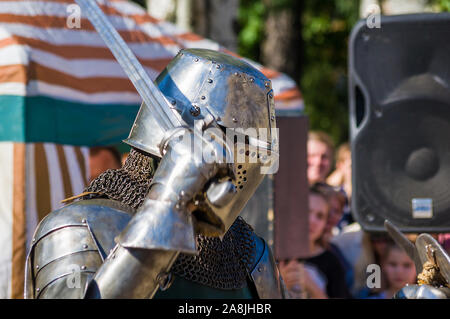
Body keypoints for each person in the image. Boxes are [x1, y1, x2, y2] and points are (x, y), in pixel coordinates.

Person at [24, 49, 287, 299]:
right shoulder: (82, 229)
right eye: (236, 142)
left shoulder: (253, 257)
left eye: (253, 148)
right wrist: (168, 203)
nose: (243, 163)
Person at [279, 185, 352, 299]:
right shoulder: (273, 253)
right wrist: (279, 285)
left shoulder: (332, 262)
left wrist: (312, 287)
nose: (312, 220)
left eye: (320, 216)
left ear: (325, 224)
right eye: (307, 211)